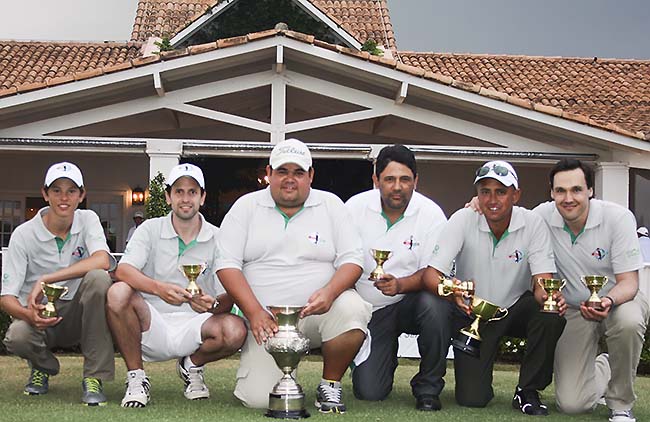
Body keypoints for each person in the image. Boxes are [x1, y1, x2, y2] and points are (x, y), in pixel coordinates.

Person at [216, 138, 372, 413]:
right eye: (282, 171)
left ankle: (330, 384)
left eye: (298, 172)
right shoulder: (246, 207)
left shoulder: (331, 205)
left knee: (351, 307)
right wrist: (253, 312)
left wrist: (330, 292)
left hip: (316, 314)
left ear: (310, 175)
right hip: (266, 323)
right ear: (268, 173)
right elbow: (226, 264)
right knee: (260, 400)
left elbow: (353, 260)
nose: (290, 179)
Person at [423, 160, 566, 416]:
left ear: (516, 195)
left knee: (548, 312)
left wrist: (549, 297)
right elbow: (431, 275)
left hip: (515, 308)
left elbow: (541, 283)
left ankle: (528, 390)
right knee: (473, 399)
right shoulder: (463, 218)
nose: (492, 199)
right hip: (475, 314)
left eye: (501, 191)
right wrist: (451, 288)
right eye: (485, 191)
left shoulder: (532, 223)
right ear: (476, 194)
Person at [106, 163, 247, 408]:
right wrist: (158, 288)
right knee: (117, 292)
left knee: (236, 331)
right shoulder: (149, 229)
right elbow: (123, 270)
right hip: (150, 321)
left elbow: (228, 297)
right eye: (179, 191)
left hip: (196, 323)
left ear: (202, 197)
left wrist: (211, 303)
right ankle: (136, 378)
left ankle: (191, 365)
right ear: (168, 196)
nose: (185, 199)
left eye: (192, 192)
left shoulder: (219, 237)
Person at [535, 159, 649, 422]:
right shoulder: (540, 217)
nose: (568, 198)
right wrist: (476, 208)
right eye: (560, 191)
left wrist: (607, 300)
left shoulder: (618, 218)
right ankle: (607, 365)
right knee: (573, 405)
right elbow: (507, 216)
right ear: (551, 193)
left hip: (619, 300)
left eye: (576, 189)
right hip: (574, 310)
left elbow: (630, 282)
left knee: (629, 321)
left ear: (590, 190)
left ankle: (620, 405)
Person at [345, 145, 451, 411]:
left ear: (416, 180)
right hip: (370, 310)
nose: (397, 186)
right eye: (389, 179)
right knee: (369, 392)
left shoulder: (432, 214)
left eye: (405, 179)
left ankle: (428, 388)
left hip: (410, 303)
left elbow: (433, 272)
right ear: (376, 180)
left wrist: (400, 284)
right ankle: (381, 357)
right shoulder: (353, 208)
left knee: (435, 304)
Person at [0, 162, 115, 406]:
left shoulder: (88, 219)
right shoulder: (23, 234)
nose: (64, 198)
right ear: (45, 194)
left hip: (77, 312)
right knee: (17, 336)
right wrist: (28, 315)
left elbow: (103, 260)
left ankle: (94, 377)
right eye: (56, 190)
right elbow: (6, 297)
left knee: (99, 278)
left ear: (82, 195)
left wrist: (47, 278)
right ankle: (43, 366)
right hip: (39, 315)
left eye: (72, 191)